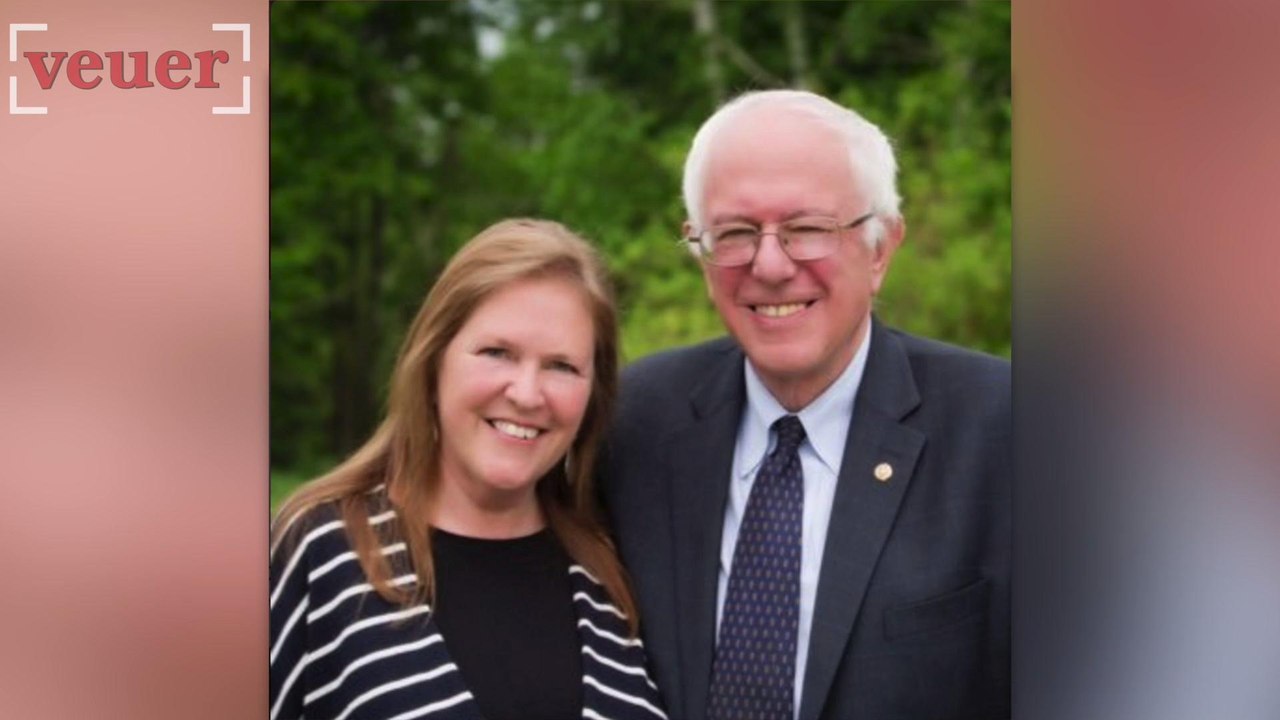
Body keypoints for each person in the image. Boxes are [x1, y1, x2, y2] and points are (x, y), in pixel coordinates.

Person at [601, 90, 1010, 720]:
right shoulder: (634, 420)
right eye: (734, 234)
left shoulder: (1009, 430)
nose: (769, 265)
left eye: (807, 229)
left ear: (881, 249)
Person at [270, 219, 666, 720]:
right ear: (434, 359)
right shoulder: (323, 550)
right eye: (497, 353)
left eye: (561, 366)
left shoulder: (612, 567)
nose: (526, 393)